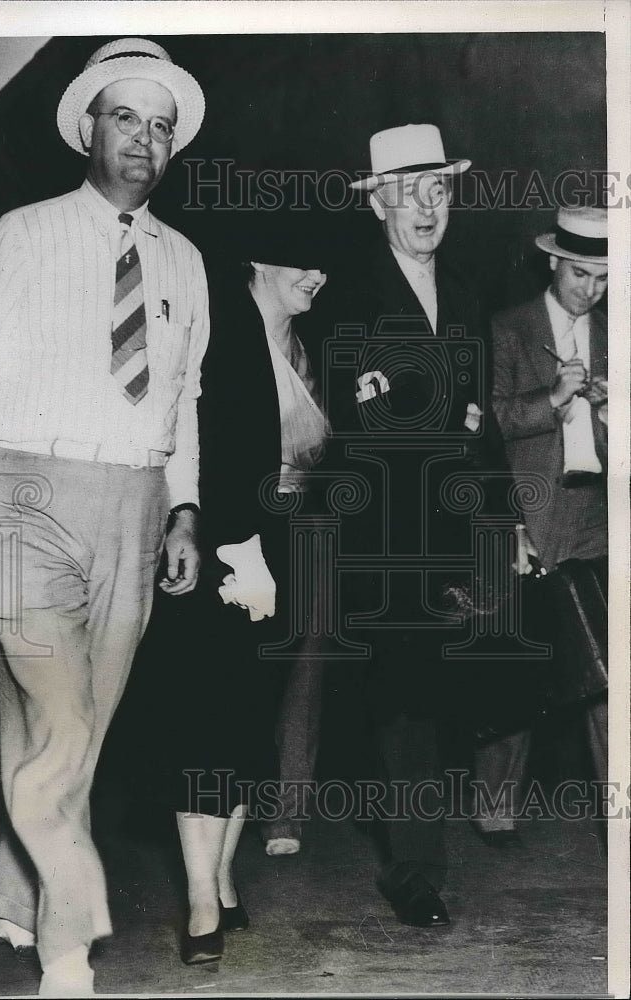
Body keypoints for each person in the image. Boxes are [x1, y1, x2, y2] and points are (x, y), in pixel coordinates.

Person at [0, 37, 209, 997]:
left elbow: (186, 403)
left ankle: (14, 891)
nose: (145, 139)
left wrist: (183, 514)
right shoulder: (24, 233)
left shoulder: (186, 262)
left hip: (133, 504)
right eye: (126, 116)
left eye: (161, 126)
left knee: (76, 729)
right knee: (62, 720)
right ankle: (69, 946)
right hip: (22, 501)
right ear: (88, 127)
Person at [140, 211, 329, 964]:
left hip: (280, 546)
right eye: (298, 262)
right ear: (257, 262)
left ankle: (220, 879)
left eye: (321, 265)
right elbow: (197, 449)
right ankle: (196, 903)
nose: (315, 275)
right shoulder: (218, 331)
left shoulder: (299, 346)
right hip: (221, 544)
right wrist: (236, 547)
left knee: (249, 718)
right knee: (204, 722)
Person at [337, 123, 512, 927]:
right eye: (407, 193)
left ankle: (421, 851)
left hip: (457, 527)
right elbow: (362, 422)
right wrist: (450, 417)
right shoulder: (352, 295)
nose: (426, 208)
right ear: (378, 206)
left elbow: (478, 428)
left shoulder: (469, 294)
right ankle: (416, 871)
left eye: (438, 190)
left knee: (444, 697)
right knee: (402, 701)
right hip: (384, 538)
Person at [473, 205, 608, 846]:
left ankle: (617, 803)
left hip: (599, 515)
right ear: (553, 260)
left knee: (609, 667)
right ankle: (496, 807)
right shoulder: (507, 330)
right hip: (531, 514)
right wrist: (552, 400)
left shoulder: (618, 332)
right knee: (520, 658)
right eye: (581, 274)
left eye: (604, 279)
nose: (591, 290)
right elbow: (487, 425)